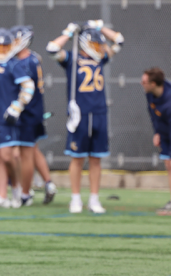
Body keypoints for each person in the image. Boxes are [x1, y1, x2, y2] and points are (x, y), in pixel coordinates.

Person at [47, 20, 122, 214]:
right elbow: (52, 48)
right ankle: (75, 198)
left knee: (96, 159)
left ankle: (94, 199)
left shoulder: (100, 59)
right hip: (80, 114)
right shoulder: (71, 59)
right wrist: (68, 32)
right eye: (95, 43)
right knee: (78, 158)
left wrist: (100, 27)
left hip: (98, 113)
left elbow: (119, 41)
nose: (99, 48)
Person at [0, 27, 36, 209]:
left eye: (6, 47)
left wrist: (17, 107)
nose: (2, 50)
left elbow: (28, 86)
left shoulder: (13, 64)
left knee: (7, 156)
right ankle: (2, 195)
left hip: (6, 117)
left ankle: (17, 188)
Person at [9, 25, 57, 206]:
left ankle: (25, 193)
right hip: (35, 110)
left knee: (24, 155)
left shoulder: (26, 62)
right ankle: (48, 183)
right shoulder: (33, 58)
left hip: (26, 112)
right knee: (33, 150)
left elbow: (24, 90)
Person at [140, 67, 171, 215]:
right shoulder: (150, 94)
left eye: (144, 81)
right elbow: (152, 113)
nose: (141, 83)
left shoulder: (169, 101)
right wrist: (157, 132)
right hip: (165, 132)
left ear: (153, 84)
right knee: (169, 165)